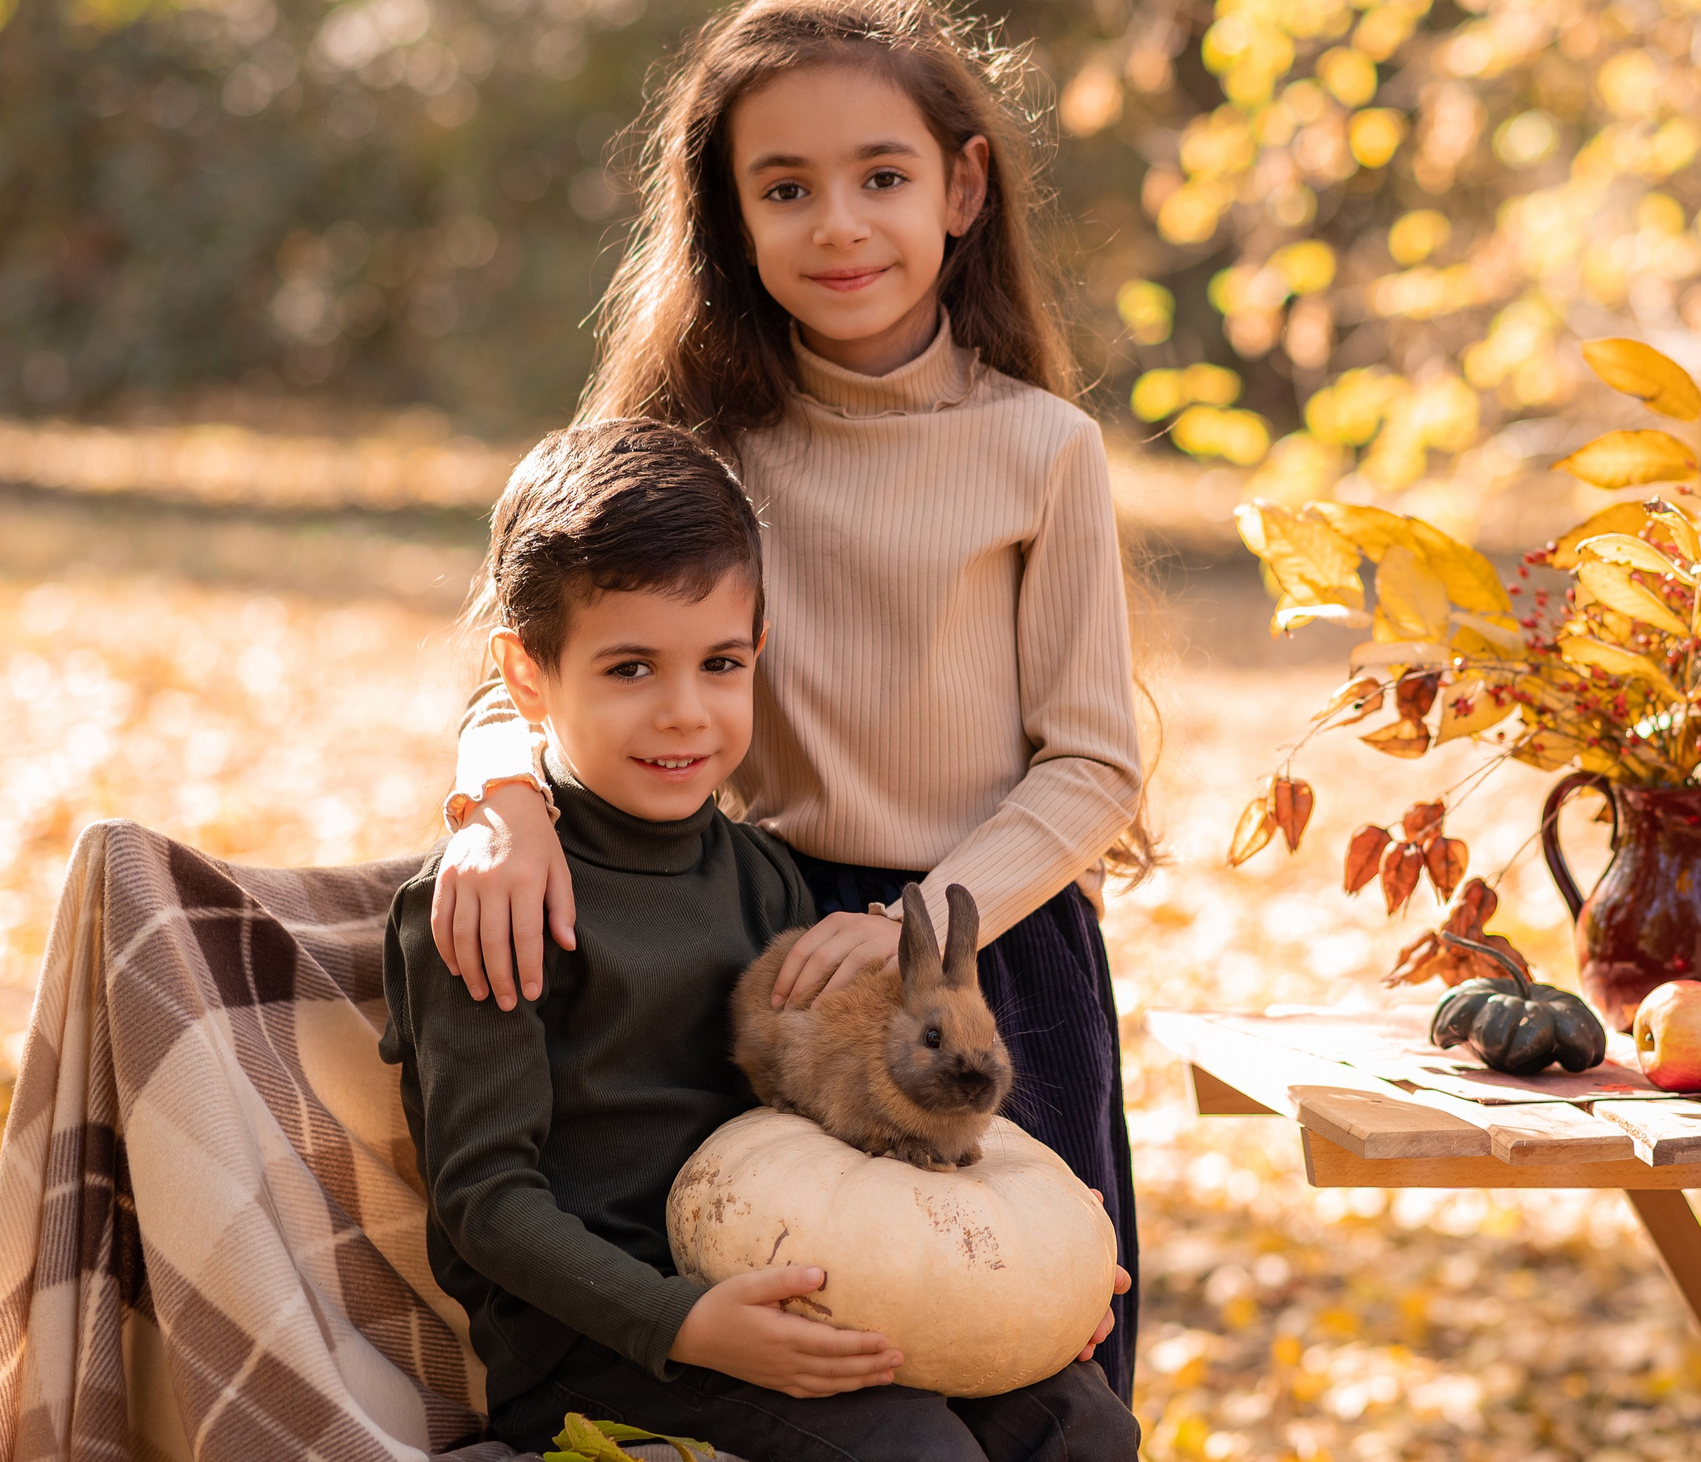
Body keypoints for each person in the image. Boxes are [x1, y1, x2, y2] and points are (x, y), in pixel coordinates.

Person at [423, 0, 1150, 1397]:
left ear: (962, 187)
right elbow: (523, 661)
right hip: (752, 948)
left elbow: (1094, 765)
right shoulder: (695, 445)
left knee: (1026, 1356)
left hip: (980, 955)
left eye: (880, 174)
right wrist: (495, 797)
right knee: (815, 1354)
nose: (838, 224)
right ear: (729, 215)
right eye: (784, 188)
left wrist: (915, 929)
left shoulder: (1043, 449)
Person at [381, 419, 1138, 1460]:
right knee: (913, 1450)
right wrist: (684, 1323)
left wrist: (1040, 1256)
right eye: (631, 667)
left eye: (720, 662)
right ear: (526, 675)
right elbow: (486, 1199)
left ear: (758, 656)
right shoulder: (490, 904)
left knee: (1078, 1417)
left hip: (801, 1267)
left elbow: (844, 1100)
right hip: (605, 1345)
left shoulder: (761, 873)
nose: (685, 712)